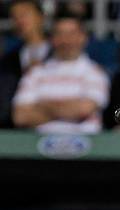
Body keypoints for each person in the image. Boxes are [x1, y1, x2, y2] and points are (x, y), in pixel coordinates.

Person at [12, 11, 109, 134]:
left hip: (87, 147)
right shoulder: (35, 73)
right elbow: (20, 116)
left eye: (71, 33)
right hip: (37, 148)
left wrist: (42, 106)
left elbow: (85, 109)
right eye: (60, 34)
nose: (65, 40)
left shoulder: (95, 72)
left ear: (83, 37)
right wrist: (68, 110)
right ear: (52, 38)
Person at [0, 0, 49, 128]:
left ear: (41, 17)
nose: (20, 21)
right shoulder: (8, 61)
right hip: (17, 129)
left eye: (24, 14)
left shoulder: (59, 54)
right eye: (15, 17)